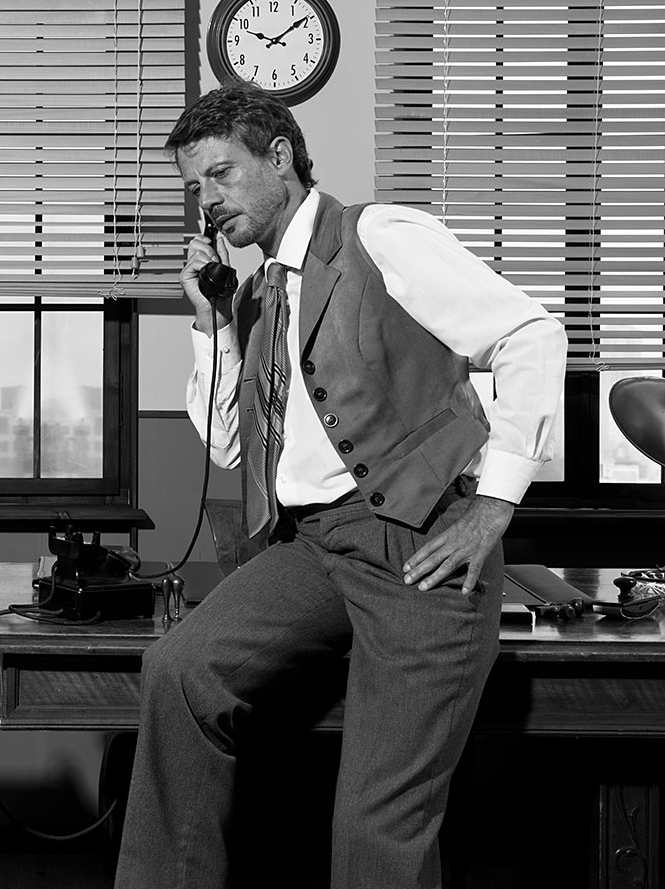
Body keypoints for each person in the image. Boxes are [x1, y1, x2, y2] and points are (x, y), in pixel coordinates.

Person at [113, 79, 567, 889]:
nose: (205, 201)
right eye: (193, 186)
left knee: (374, 822)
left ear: (279, 156)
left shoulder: (380, 235)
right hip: (314, 544)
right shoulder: (257, 293)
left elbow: (531, 335)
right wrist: (211, 322)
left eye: (220, 174)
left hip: (419, 540)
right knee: (178, 672)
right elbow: (230, 447)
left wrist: (494, 505)